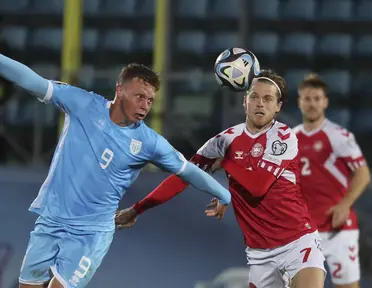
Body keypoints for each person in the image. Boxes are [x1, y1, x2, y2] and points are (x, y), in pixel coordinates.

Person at [0, 54, 232, 288]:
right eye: (140, 97)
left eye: (150, 100)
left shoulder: (148, 142)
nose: (145, 106)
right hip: (50, 219)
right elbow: (32, 81)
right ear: (119, 90)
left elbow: (188, 171)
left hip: (90, 233)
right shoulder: (83, 104)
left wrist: (225, 194)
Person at [115, 69, 327, 288]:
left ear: (278, 106)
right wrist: (137, 209)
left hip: (298, 242)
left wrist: (225, 162)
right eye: (254, 97)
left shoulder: (282, 136)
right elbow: (183, 176)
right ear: (245, 101)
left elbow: (258, 187)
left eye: (268, 99)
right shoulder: (224, 140)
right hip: (260, 254)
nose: (260, 104)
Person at [293, 74, 371, 288]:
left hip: (338, 229)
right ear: (299, 102)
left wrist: (345, 204)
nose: (312, 104)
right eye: (307, 99)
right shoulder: (290, 139)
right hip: (304, 231)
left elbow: (363, 174)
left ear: (325, 102)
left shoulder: (339, 136)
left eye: (317, 99)